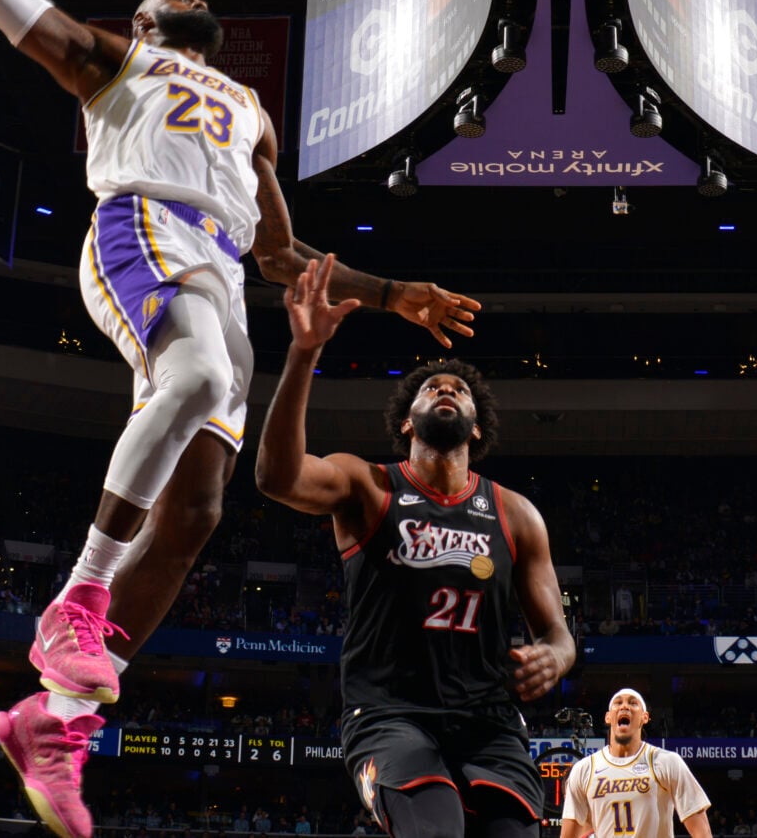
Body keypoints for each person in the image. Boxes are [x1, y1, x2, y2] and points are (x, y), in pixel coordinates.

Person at [0, 0, 480, 838]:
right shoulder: (116, 59)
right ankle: (78, 599)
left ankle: (56, 722)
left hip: (221, 274)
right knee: (200, 376)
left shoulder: (250, 109)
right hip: (141, 226)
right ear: (146, 20)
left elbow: (282, 254)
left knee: (197, 510)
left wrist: (392, 295)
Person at [256, 256, 569, 838]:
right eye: (431, 388)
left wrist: (556, 656)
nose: (446, 388)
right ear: (407, 422)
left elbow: (559, 635)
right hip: (389, 716)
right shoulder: (367, 485)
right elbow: (277, 478)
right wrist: (303, 354)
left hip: (490, 722)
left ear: (477, 426)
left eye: (459, 389)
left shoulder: (517, 514)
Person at [560, 689, 713, 838]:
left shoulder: (667, 762)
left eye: (633, 703)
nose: (624, 706)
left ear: (644, 717)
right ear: (608, 717)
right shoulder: (584, 769)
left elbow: (702, 832)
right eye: (618, 702)